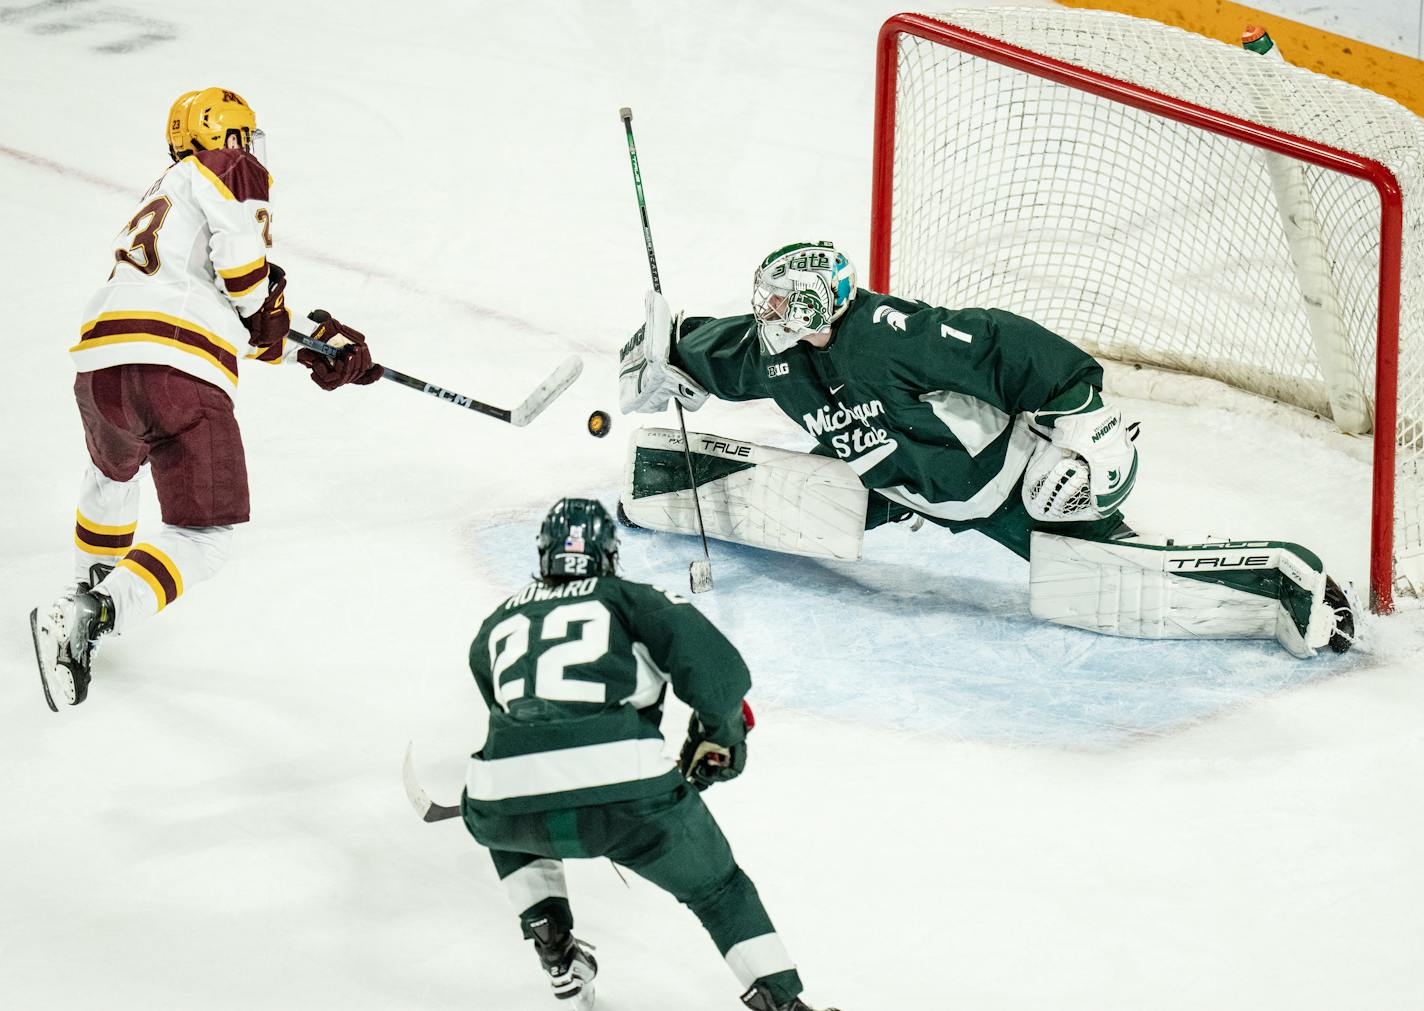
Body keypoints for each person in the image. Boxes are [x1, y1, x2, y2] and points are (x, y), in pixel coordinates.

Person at [617, 241, 1354, 657]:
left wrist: (1079, 412)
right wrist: (668, 351)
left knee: (1106, 574)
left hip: (1000, 487)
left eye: (781, 302)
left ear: (815, 301)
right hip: (900, 481)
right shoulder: (777, 354)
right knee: (830, 494)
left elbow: (1002, 344)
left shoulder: (887, 335)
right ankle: (683, 482)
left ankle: (1286, 584)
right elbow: (725, 349)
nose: (768, 313)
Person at [29, 87, 381, 712]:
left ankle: (93, 580)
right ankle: (92, 611)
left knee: (112, 470)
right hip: (176, 373)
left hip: (100, 367)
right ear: (231, 135)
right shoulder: (226, 167)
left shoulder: (164, 193)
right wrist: (261, 305)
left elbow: (213, 309)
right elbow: (242, 288)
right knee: (204, 536)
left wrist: (311, 349)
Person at [460, 497, 839, 1011]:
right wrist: (720, 736)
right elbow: (719, 677)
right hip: (627, 795)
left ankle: (552, 939)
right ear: (610, 554)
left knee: (512, 798)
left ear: (544, 553)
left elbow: (524, 734)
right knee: (719, 890)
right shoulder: (630, 599)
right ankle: (781, 1003)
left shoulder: (493, 627)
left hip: (501, 796)